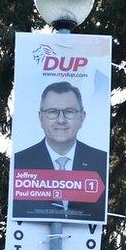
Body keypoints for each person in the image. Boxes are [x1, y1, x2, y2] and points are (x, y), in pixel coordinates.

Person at [12, 81, 108, 222]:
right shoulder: (20, 162)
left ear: (82, 117)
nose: (61, 120)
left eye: (69, 112)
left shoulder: (100, 161)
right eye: (52, 112)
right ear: (41, 118)